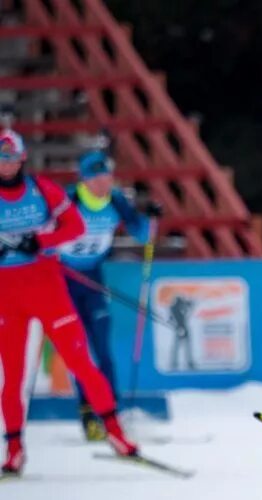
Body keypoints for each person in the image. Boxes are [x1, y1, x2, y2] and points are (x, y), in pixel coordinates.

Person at [0, 129, 138, 476]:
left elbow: (74, 227)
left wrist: (41, 239)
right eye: (1, 160)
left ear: (21, 159)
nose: (6, 166)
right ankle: (14, 450)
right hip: (7, 297)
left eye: (11, 159)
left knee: (82, 362)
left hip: (48, 290)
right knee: (13, 376)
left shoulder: (40, 190)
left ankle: (116, 434)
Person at [58, 150, 161, 439]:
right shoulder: (70, 200)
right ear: (85, 179)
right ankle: (88, 415)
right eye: (98, 179)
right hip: (65, 280)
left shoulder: (115, 199)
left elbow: (142, 234)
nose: (104, 184)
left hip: (92, 279)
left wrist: (150, 218)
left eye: (107, 178)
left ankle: (111, 413)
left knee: (104, 349)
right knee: (79, 352)